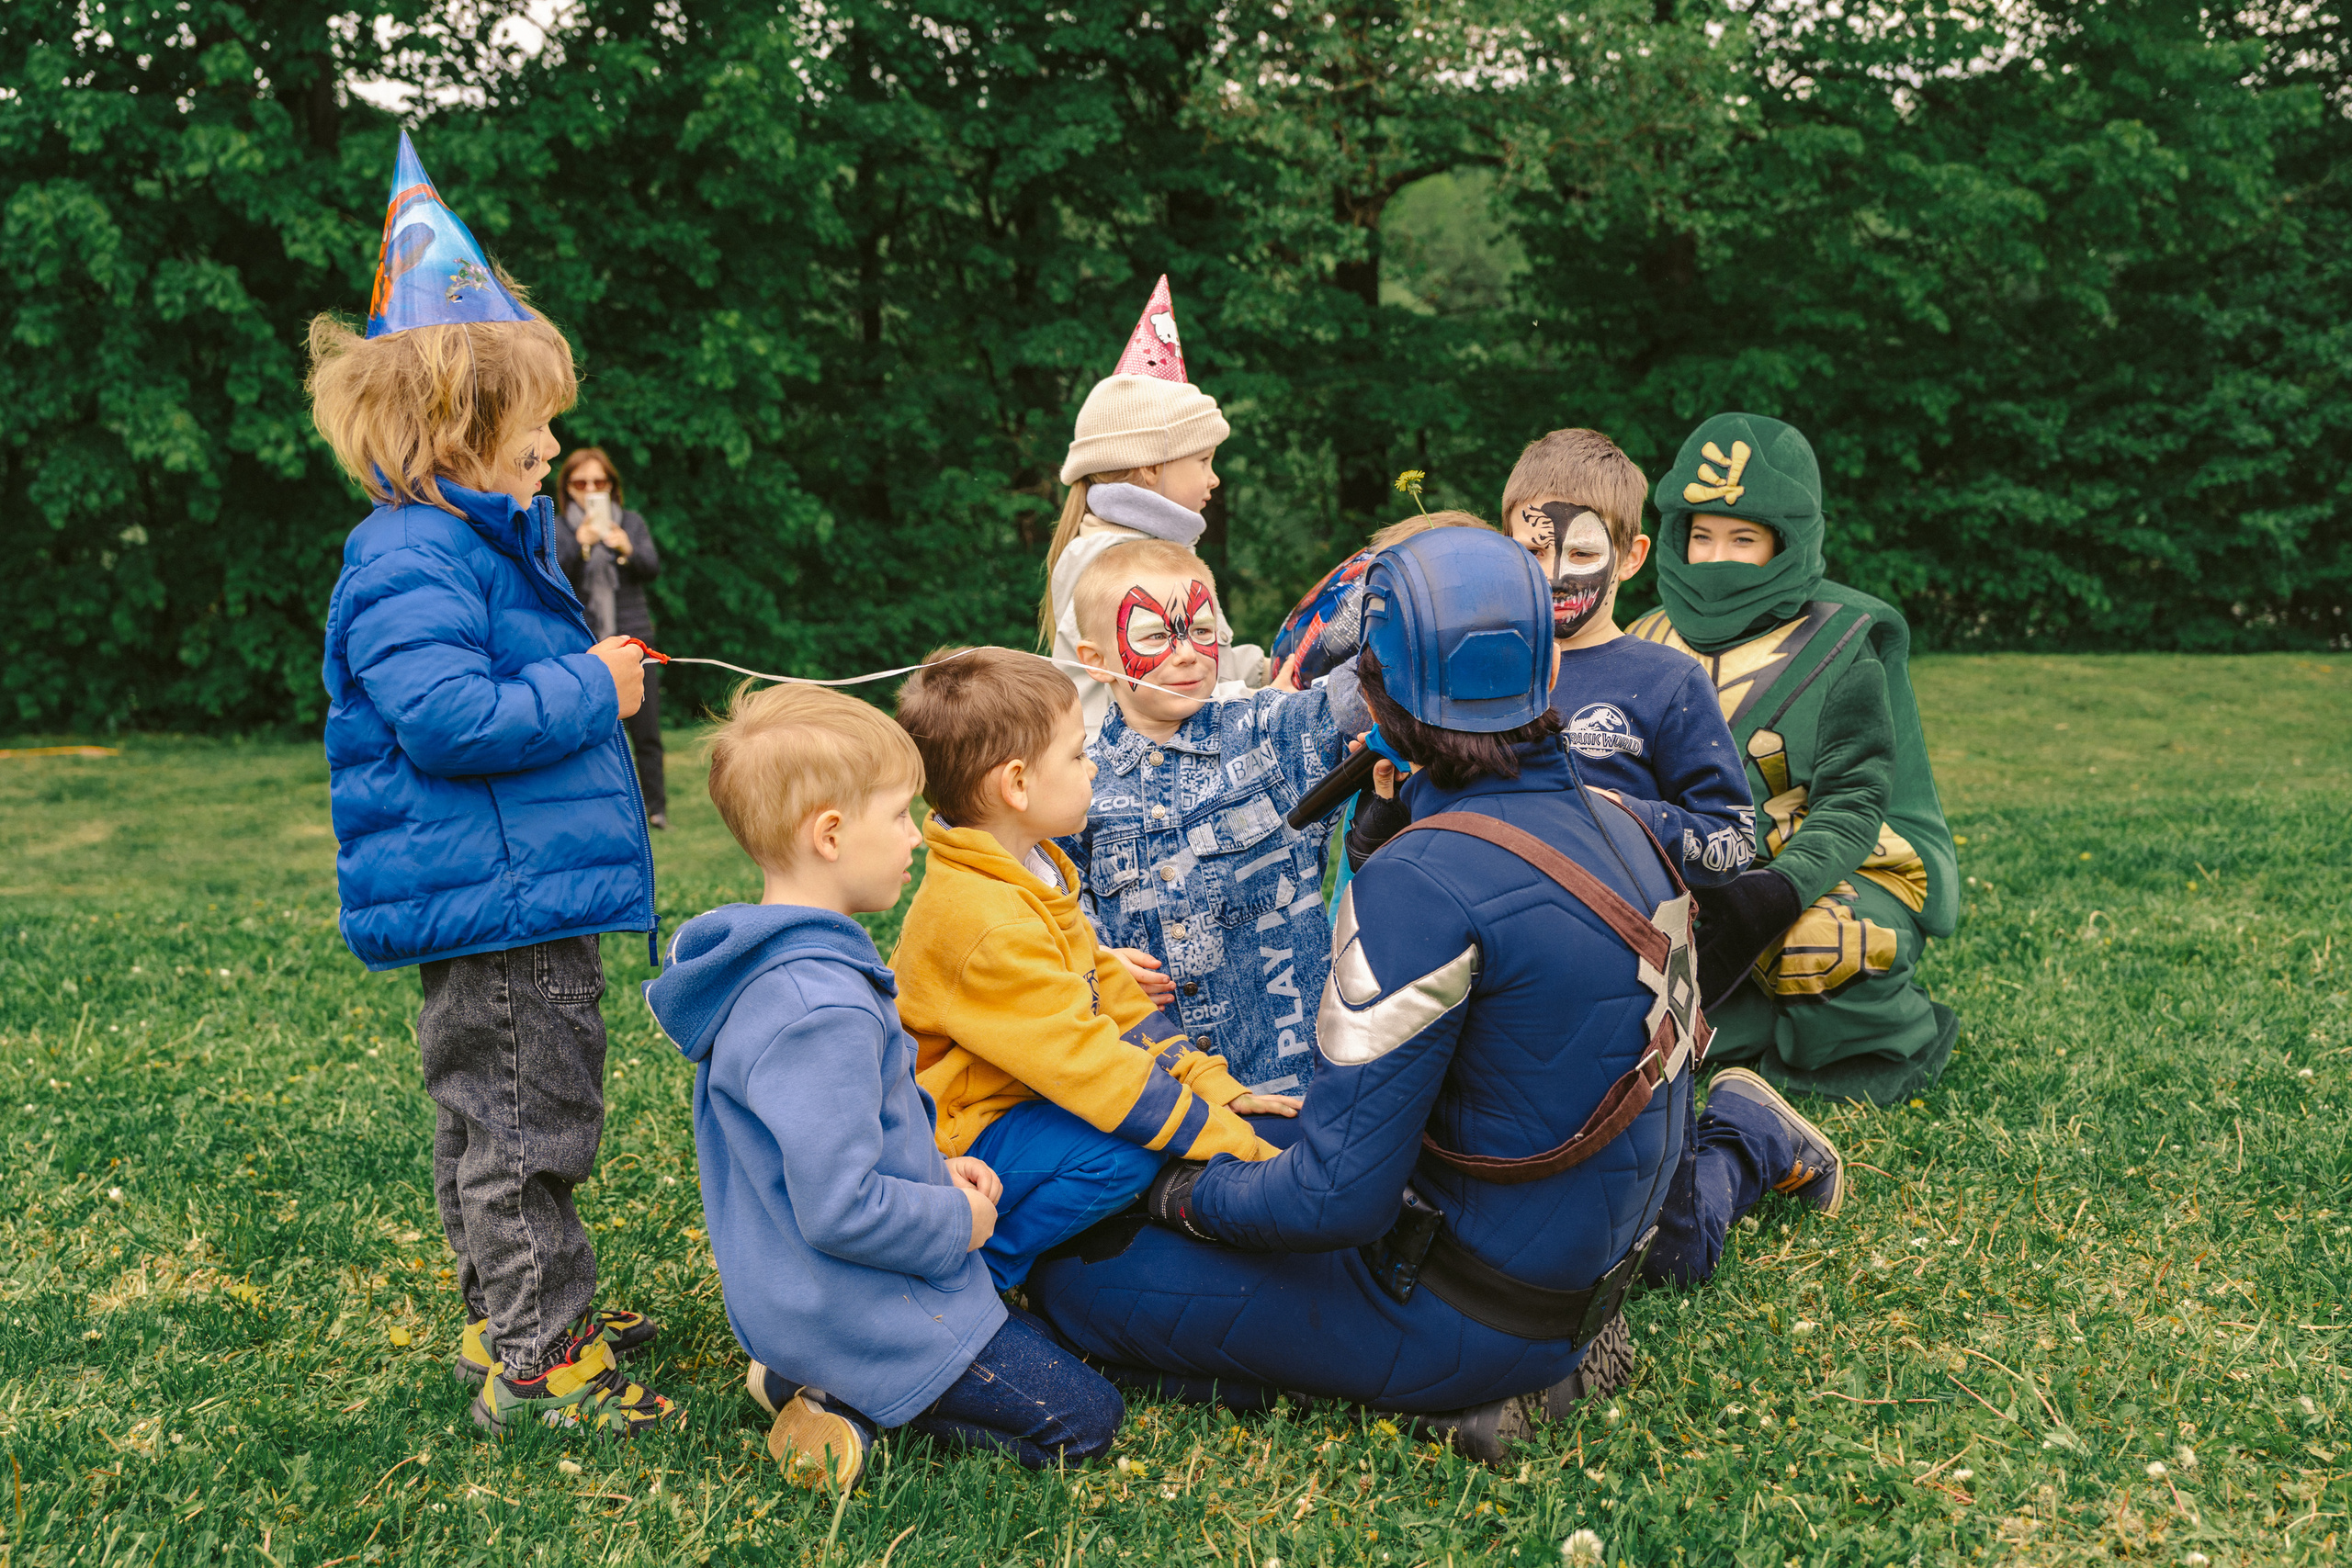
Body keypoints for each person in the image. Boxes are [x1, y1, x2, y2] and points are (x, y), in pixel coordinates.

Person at [1030, 528, 1846, 1461]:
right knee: (1260, 1134)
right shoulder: (1623, 821)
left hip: (1476, 1309)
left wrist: (1178, 1196)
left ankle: (1485, 1386)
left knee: (1076, 1283)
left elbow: (1334, 1204)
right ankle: (1532, 1351)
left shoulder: (1423, 882)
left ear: (1379, 692)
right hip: (1585, 1261)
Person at [311, 132, 670, 1438]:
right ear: (463, 426)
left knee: (498, 1119)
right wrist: (599, 688)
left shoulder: (466, 541)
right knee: (529, 1128)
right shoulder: (412, 558)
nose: (558, 440)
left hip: (511, 888)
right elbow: (450, 718)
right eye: (537, 421)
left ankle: (510, 1310)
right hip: (500, 900)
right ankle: (538, 1355)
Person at [643, 682, 1124, 1490]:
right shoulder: (813, 1008)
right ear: (830, 835)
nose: (915, 836)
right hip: (853, 1309)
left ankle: (797, 1373)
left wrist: (937, 1168)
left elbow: (853, 1132)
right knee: (1084, 1418)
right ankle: (844, 1403)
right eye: (900, 814)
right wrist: (956, 1218)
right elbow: (839, 1206)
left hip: (818, 1294)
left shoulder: (793, 968)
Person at [889, 647, 1289, 1292]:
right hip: (952, 1139)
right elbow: (1095, 1068)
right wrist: (1235, 1145)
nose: (1094, 765)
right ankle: (975, 1279)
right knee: (1122, 1153)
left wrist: (1213, 1085)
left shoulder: (1028, 867)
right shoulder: (988, 919)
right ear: (1016, 785)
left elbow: (1113, 997)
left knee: (1139, 1130)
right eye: (1077, 754)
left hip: (1013, 1102)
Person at [1627, 412, 1961, 1107]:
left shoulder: (1842, 645)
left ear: (1785, 541)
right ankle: (1736, 1029)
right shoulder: (1644, 635)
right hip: (1691, 869)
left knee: (1817, 944)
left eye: (1742, 538)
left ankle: (1854, 1039)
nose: (1716, 557)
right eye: (1702, 535)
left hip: (1826, 868)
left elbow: (1853, 807)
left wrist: (1774, 891)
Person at [1061, 536, 1372, 1097]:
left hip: (1293, 1088)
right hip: (1160, 1098)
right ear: (1096, 663)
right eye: (1156, 635)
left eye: (1201, 630)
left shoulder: (1269, 733)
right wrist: (1094, 961)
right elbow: (1051, 915)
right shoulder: (1074, 786)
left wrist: (1389, 605)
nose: (1186, 652)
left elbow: (1354, 702)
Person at [1491, 428, 1756, 890]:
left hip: (1622, 936)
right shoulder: (1481, 668)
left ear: (1630, 558)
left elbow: (1733, 841)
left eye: (1582, 552)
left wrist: (1622, 815)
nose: (1555, 576)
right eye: (1534, 550)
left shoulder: (1668, 681)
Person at [1043, 276, 1268, 739]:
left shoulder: (1130, 547)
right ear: (1150, 468)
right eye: (1203, 460)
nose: (1214, 478)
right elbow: (1171, 691)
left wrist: (1266, 669)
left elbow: (1201, 663)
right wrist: (1269, 699)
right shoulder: (1126, 566)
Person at [554, 447, 669, 828]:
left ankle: (656, 809)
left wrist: (627, 549)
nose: (590, 489)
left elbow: (652, 568)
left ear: (611, 486)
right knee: (592, 731)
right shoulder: (557, 527)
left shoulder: (630, 522)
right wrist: (582, 543)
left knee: (647, 730)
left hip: (633, 639)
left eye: (598, 482)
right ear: (567, 488)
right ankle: (604, 807)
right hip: (584, 642)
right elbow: (556, 578)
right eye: (581, 482)